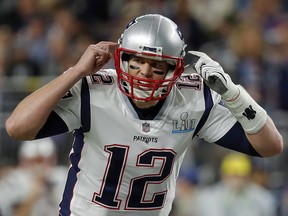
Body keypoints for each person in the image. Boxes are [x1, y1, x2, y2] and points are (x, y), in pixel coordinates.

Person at [5, 14, 283, 216]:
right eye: (136, 62)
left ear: (175, 70)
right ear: (122, 59)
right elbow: (18, 127)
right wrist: (75, 72)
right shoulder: (95, 90)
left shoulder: (193, 98)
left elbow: (270, 146)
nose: (145, 74)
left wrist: (233, 94)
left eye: (157, 66)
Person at [194, 152, 278, 216]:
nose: (236, 181)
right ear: (223, 175)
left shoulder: (263, 198)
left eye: (240, 176)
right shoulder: (207, 197)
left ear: (248, 177)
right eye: (233, 176)